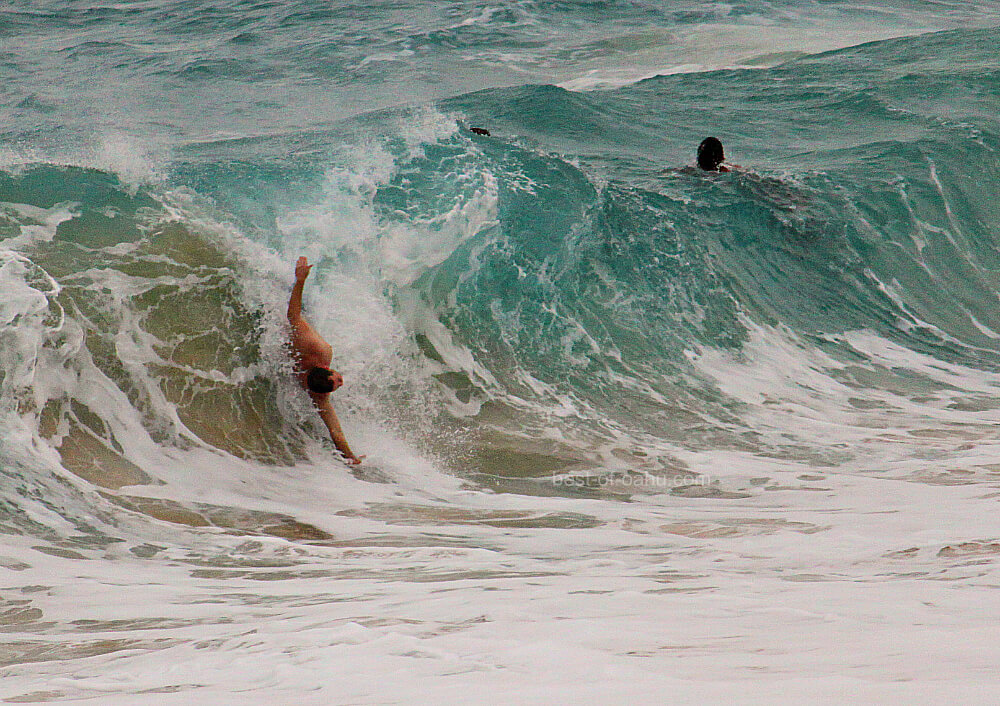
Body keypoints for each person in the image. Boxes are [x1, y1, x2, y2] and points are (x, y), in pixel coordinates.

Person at [287, 256, 362, 464]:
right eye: (337, 381)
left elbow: (335, 432)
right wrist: (300, 280)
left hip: (296, 337)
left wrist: (352, 458)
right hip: (297, 330)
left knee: (300, 316)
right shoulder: (319, 350)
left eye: (337, 382)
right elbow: (293, 315)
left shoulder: (317, 357)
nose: (341, 381)